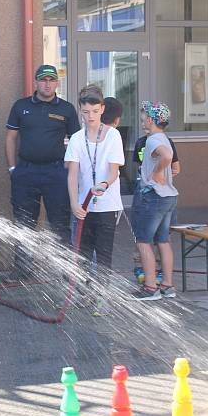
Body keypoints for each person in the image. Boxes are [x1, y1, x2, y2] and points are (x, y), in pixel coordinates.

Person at [5, 64, 81, 268]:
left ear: (57, 83)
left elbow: (76, 142)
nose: (47, 84)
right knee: (23, 222)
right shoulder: (21, 106)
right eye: (43, 80)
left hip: (55, 172)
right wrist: (12, 168)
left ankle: (65, 269)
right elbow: (11, 138)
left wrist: (71, 170)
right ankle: (23, 268)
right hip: (26, 171)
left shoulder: (66, 109)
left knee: (60, 222)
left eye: (51, 80)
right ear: (36, 82)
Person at [65, 86, 124, 316]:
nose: (90, 117)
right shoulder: (77, 139)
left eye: (95, 111)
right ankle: (87, 293)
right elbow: (72, 174)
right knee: (84, 254)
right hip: (84, 206)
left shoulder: (113, 135)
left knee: (104, 253)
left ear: (102, 110)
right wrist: (74, 203)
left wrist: (105, 185)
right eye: (86, 112)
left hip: (107, 205)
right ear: (80, 111)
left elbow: (114, 171)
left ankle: (103, 297)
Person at [131, 101, 178, 301]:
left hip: (153, 196)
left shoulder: (151, 140)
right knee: (163, 240)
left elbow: (167, 157)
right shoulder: (164, 137)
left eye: (143, 119)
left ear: (150, 120)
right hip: (169, 196)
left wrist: (157, 173)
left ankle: (150, 287)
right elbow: (171, 158)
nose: (142, 122)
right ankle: (167, 285)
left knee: (143, 241)